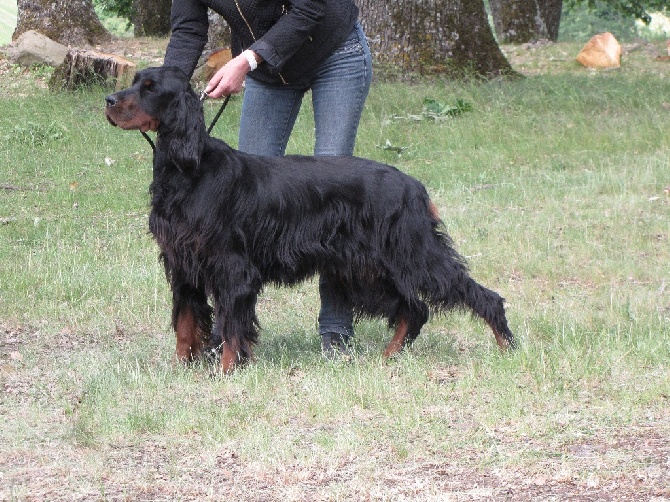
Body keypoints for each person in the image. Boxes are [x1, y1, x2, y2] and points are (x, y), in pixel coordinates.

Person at [163, 0, 373, 359]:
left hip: (333, 50)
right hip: (268, 71)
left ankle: (336, 331)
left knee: (332, 196)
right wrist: (164, 94)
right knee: (241, 205)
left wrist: (246, 61)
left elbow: (309, 9)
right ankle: (228, 335)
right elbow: (187, 30)